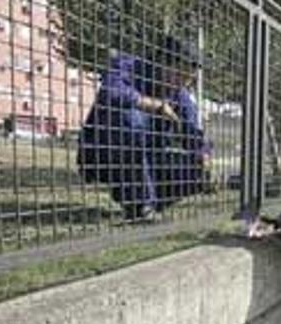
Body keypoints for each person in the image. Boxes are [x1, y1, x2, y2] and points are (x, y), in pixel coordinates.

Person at [78, 35, 211, 220]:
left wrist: (203, 154)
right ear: (162, 62)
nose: (182, 84)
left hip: (148, 159)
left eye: (188, 80)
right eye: (179, 76)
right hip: (106, 152)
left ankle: (144, 202)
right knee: (132, 118)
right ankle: (141, 203)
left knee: (197, 170)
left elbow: (192, 132)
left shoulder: (179, 94)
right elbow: (111, 91)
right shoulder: (129, 65)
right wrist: (153, 105)